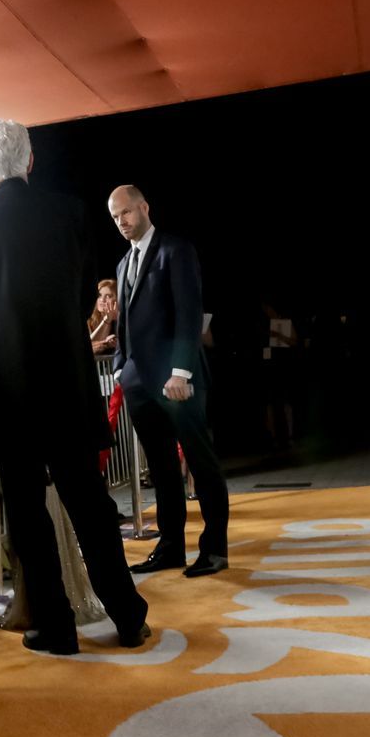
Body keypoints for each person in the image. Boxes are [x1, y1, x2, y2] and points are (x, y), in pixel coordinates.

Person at [0, 120, 150, 655]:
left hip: (4, 391)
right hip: (65, 379)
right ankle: (128, 616)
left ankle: (55, 629)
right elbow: (84, 297)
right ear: (30, 161)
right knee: (89, 503)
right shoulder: (70, 213)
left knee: (28, 514)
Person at [107, 185, 228, 578]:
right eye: (114, 217)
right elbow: (126, 323)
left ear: (144, 207)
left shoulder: (176, 250)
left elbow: (189, 313)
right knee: (160, 469)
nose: (121, 221)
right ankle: (172, 547)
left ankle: (214, 550)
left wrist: (181, 371)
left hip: (179, 380)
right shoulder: (124, 263)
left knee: (200, 462)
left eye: (126, 212)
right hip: (139, 383)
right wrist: (121, 368)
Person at [86, 279, 119, 356]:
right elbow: (87, 346)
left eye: (108, 296)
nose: (102, 300)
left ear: (117, 299)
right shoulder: (89, 319)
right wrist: (106, 319)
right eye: (99, 295)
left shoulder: (122, 320)